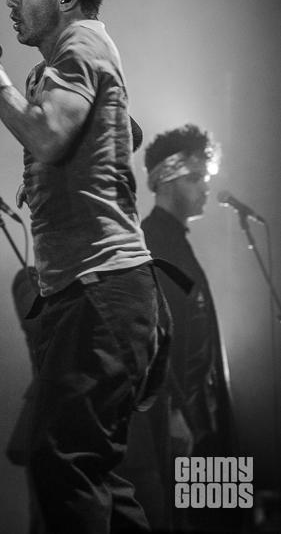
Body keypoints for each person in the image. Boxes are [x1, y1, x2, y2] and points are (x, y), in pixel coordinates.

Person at [0, 0, 163, 533]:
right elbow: (124, 130)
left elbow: (48, 135)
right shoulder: (67, 61)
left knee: (63, 463)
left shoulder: (82, 43)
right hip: (98, 292)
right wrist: (58, 175)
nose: (12, 0)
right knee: (93, 473)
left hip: (103, 288)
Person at [141, 124, 238, 532]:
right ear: (166, 179)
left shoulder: (179, 242)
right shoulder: (153, 242)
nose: (205, 188)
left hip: (205, 414)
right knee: (190, 523)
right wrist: (175, 409)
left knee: (218, 520)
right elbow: (152, 334)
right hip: (184, 418)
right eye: (196, 178)